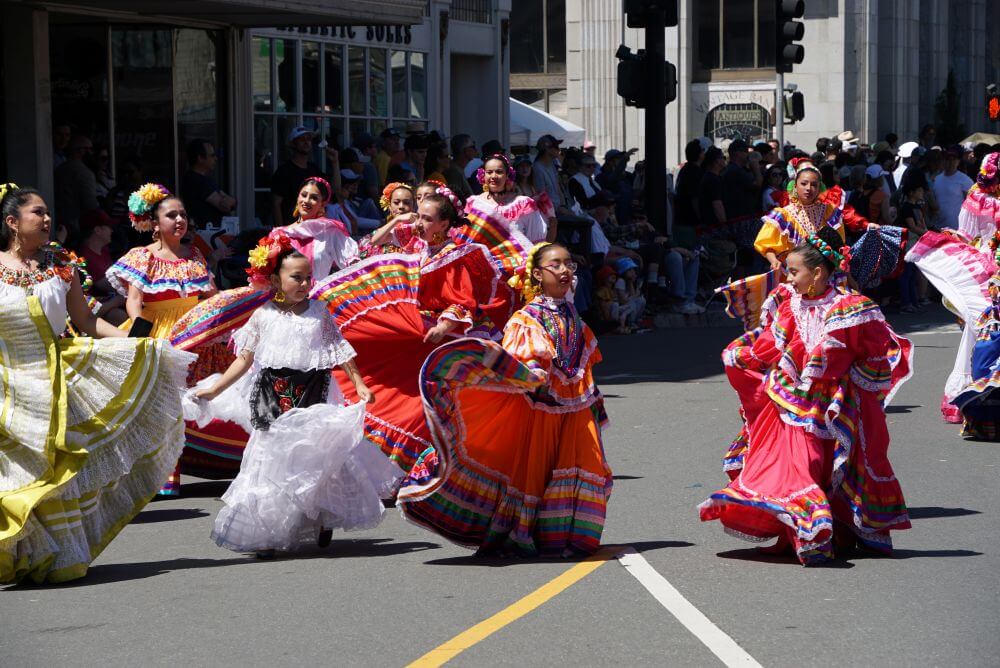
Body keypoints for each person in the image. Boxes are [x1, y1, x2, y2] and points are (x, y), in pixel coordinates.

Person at [0, 184, 195, 584]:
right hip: (9, 387)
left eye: (47, 212)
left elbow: (86, 323)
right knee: (15, 474)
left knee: (59, 473)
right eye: (38, 213)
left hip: (57, 381)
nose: (47, 218)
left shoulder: (60, 262)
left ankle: (54, 557)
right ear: (12, 222)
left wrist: (138, 343)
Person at [700, 228, 912, 564]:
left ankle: (838, 531)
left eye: (794, 271)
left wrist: (834, 371)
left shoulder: (850, 308)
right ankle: (804, 534)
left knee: (829, 466)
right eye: (787, 271)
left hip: (834, 404)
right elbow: (771, 344)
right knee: (802, 465)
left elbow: (872, 351)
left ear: (818, 273)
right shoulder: (789, 306)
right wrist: (742, 357)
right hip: (794, 401)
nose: (788, 278)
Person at [186, 237, 400, 559]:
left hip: (315, 391)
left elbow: (339, 350)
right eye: (295, 277)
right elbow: (244, 359)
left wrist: (359, 385)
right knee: (269, 462)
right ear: (276, 281)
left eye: (307, 277)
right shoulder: (262, 316)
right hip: (273, 395)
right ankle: (268, 532)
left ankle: (322, 514)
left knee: (316, 459)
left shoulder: (319, 313)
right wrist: (215, 389)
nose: (303, 283)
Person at [398, 242, 613, 556]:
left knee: (584, 462)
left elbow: (579, 359)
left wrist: (591, 399)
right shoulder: (527, 318)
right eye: (556, 265)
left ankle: (570, 537)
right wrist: (535, 374)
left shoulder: (571, 313)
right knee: (537, 473)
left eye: (569, 264)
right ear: (537, 274)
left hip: (574, 407)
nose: (565, 270)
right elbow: (524, 363)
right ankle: (536, 534)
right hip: (540, 411)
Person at [310, 191, 514, 476]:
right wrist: (398, 222)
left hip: (437, 340)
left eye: (427, 219)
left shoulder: (454, 255)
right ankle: (397, 461)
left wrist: (443, 326)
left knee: (420, 403)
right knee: (367, 364)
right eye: (419, 216)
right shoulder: (414, 243)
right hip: (407, 331)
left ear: (444, 224)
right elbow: (367, 248)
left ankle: (428, 461)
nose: (420, 223)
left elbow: (461, 302)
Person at [105, 184, 218, 497]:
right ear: (154, 224)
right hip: (158, 330)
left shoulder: (194, 253)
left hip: (194, 332)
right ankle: (163, 476)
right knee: (162, 404)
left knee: (195, 401)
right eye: (171, 215)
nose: (179, 219)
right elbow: (134, 299)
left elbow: (210, 297)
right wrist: (140, 331)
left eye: (182, 214)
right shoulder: (143, 257)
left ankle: (210, 460)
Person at [755, 158, 848, 272]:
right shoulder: (783, 215)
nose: (808, 188)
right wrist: (774, 261)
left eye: (814, 185)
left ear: (819, 188)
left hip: (823, 275)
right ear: (795, 186)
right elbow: (767, 244)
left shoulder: (829, 212)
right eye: (803, 184)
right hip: (792, 275)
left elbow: (839, 245)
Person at [276, 176, 359, 279]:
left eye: (314, 198)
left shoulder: (330, 231)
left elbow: (354, 267)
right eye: (304, 195)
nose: (306, 201)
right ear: (298, 197)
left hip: (317, 294)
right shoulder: (280, 234)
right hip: (283, 295)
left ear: (323, 203)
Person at [467, 153, 550, 243]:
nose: (494, 176)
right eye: (489, 172)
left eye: (499, 172)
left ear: (507, 175)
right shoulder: (474, 203)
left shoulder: (524, 205)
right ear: (483, 176)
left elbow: (536, 242)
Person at [76, 208, 127, 324]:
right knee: (120, 316)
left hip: (109, 300)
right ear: (98, 230)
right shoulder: (85, 256)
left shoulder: (103, 250)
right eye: (108, 227)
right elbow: (110, 285)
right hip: (94, 308)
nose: (112, 231)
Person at [270, 126, 325, 227]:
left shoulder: (314, 169)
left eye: (308, 139)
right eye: (301, 139)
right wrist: (280, 231)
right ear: (293, 144)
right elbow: (276, 203)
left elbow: (335, 191)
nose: (306, 142)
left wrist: (335, 163)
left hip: (312, 228)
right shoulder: (284, 171)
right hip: (291, 228)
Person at [54, 134, 100, 244]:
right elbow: (91, 205)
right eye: (89, 149)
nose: (92, 153)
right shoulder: (84, 173)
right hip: (76, 230)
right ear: (81, 151)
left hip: (60, 226)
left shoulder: (60, 169)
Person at [181, 139, 237, 229]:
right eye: (212, 155)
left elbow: (232, 203)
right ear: (200, 158)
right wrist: (228, 199)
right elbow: (225, 206)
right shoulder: (196, 180)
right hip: (206, 237)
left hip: (213, 235)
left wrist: (231, 201)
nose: (216, 159)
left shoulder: (205, 180)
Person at [358, 182, 418, 257]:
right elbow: (373, 242)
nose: (401, 206)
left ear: (414, 206)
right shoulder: (385, 230)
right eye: (396, 203)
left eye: (406, 203)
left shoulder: (419, 225)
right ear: (389, 206)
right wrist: (397, 220)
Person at [325, 168, 383, 236]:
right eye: (347, 187)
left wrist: (380, 223)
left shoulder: (344, 203)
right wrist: (380, 223)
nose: (350, 189)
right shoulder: (331, 209)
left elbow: (355, 220)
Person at [932, 145, 975, 230]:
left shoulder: (965, 180)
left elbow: (972, 204)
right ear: (944, 161)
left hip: (957, 228)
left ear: (958, 161)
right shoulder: (937, 179)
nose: (950, 162)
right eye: (948, 159)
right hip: (938, 226)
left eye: (954, 159)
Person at [722, 140, 764, 221]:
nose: (748, 155)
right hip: (739, 219)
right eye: (745, 152)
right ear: (738, 153)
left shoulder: (735, 169)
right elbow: (758, 184)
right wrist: (755, 166)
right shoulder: (735, 171)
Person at [697, 146, 727, 226]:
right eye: (723, 157)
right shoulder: (713, 180)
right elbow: (717, 205)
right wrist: (725, 225)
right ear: (716, 161)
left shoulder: (709, 177)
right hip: (713, 227)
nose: (725, 160)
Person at [442, 133, 476, 201]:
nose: (475, 150)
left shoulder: (458, 169)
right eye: (473, 147)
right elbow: (455, 200)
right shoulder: (454, 172)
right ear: (466, 150)